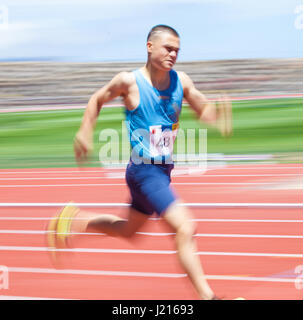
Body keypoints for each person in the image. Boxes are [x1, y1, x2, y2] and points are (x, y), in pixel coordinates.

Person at [47, 24, 232, 300]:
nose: (173, 54)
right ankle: (208, 297)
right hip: (144, 171)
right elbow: (97, 98)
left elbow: (202, 108)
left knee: (129, 231)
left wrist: (216, 114)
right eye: (168, 48)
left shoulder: (182, 82)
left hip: (162, 171)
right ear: (150, 47)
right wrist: (85, 131)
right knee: (185, 227)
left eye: (177, 51)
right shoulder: (129, 81)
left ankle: (75, 220)